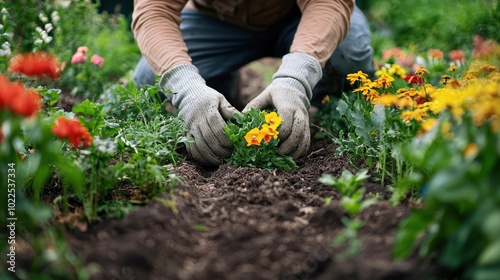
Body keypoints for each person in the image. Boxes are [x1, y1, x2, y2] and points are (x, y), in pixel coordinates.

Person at [132, 0, 374, 166]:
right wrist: (187, 89)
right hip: (216, 20)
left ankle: (323, 107)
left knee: (348, 54)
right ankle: (218, 88)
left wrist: (296, 78)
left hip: (299, 15)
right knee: (149, 79)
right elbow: (154, 10)